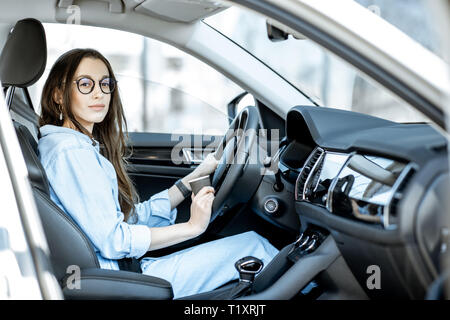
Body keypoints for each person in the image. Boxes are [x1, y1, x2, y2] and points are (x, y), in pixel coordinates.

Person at [37, 48, 279, 298]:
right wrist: (193, 227)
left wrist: (193, 178)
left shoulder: (74, 146)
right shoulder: (71, 152)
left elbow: (128, 220)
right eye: (85, 84)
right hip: (120, 280)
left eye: (105, 83)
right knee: (254, 248)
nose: (99, 92)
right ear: (58, 94)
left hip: (122, 272)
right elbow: (115, 240)